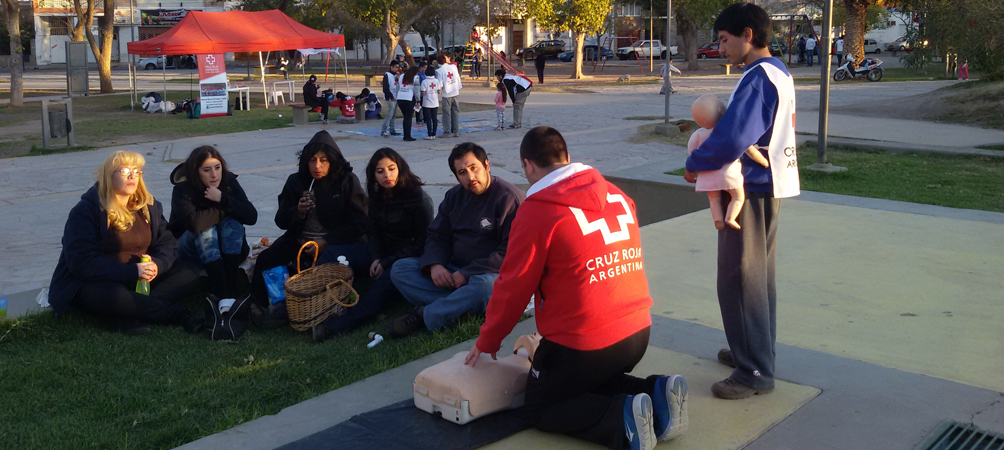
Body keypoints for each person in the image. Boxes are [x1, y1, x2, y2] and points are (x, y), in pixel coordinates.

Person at [465, 127, 688, 450]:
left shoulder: (537, 211)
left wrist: (488, 339)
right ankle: (657, 392)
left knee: (540, 406)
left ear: (527, 165)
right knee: (590, 380)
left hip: (584, 343)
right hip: (637, 331)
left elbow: (513, 285)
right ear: (567, 157)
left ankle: (620, 420)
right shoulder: (616, 194)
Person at [683, 2, 800, 400]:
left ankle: (753, 370)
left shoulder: (757, 78)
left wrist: (695, 161)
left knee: (739, 279)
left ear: (748, 35)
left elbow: (734, 138)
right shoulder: (776, 71)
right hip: (770, 183)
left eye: (724, 39)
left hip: (751, 187)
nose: (721, 48)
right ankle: (752, 351)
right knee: (758, 278)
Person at [48, 151, 202, 335]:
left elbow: (168, 243)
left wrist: (157, 265)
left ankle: (126, 313)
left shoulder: (149, 206)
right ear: (108, 175)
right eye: (124, 171)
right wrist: (132, 271)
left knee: (190, 271)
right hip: (102, 281)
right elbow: (81, 263)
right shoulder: (87, 211)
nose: (132, 176)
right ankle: (178, 314)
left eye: (137, 172)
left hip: (143, 278)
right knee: (111, 296)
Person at [386, 142, 524, 338]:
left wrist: (467, 274)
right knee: (400, 270)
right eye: (462, 172)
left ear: (486, 165)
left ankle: (425, 314)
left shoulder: (509, 199)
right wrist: (435, 265)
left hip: (488, 275)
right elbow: (437, 234)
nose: (470, 177)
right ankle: (460, 304)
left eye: (474, 168)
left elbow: (512, 254)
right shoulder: (454, 196)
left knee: (486, 288)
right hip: (453, 272)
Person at [312, 148, 435, 342]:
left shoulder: (418, 198)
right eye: (380, 171)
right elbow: (373, 232)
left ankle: (333, 327)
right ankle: (305, 304)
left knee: (377, 291)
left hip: (406, 259)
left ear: (400, 169)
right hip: (381, 251)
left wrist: (386, 262)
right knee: (332, 254)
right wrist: (376, 256)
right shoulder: (377, 196)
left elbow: (422, 243)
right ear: (373, 175)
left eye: (391, 168)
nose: (387, 175)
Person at [251, 130, 368, 325]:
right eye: (312, 160)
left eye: (323, 160)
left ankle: (290, 312)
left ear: (332, 161)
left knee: (318, 272)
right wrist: (297, 212)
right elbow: (281, 220)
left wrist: (326, 241)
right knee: (266, 259)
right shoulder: (296, 181)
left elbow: (360, 221)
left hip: (334, 243)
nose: (317, 166)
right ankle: (259, 304)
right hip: (300, 240)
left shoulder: (346, 181)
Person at [169, 146, 258, 301]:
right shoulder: (183, 189)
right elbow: (195, 223)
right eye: (207, 170)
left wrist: (223, 198)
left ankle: (232, 285)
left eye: (217, 167)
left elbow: (251, 216)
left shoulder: (228, 182)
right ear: (196, 171)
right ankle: (222, 289)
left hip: (229, 248)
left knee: (233, 223)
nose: (214, 174)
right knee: (205, 230)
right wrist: (224, 207)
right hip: (190, 251)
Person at [687, 95, 770, 230]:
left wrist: (692, 167)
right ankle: (731, 218)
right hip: (728, 175)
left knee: (714, 200)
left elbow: (692, 153)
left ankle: (718, 220)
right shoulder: (731, 132)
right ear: (721, 111)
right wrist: (764, 162)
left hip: (707, 178)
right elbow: (749, 149)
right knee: (737, 197)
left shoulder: (697, 135)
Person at [435, 53, 463, 138]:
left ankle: (447, 131)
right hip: (455, 91)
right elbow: (458, 78)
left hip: (447, 93)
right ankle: (456, 131)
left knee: (446, 113)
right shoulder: (453, 67)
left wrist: (438, 89)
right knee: (455, 111)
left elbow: (440, 83)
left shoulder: (439, 71)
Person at [397, 66, 421, 142]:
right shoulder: (415, 78)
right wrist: (418, 100)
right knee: (408, 118)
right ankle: (407, 136)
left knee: (406, 117)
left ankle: (405, 135)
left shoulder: (401, 76)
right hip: (409, 98)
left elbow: (398, 87)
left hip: (400, 98)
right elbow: (416, 90)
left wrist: (397, 96)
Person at [381, 61, 402, 137]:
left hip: (396, 97)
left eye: (398, 67)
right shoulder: (387, 75)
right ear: (391, 67)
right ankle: (384, 130)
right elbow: (385, 88)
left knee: (394, 114)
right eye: (396, 67)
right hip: (390, 97)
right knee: (389, 114)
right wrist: (391, 96)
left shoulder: (396, 76)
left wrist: (398, 79)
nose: (397, 69)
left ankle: (392, 129)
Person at [420, 66, 441, 140]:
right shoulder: (436, 81)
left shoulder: (424, 81)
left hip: (427, 102)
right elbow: (439, 91)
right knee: (434, 118)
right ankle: (434, 134)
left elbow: (423, 92)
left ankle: (429, 134)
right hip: (435, 102)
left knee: (428, 119)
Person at [416, 60, 429, 125]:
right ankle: (418, 119)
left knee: (425, 107)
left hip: (425, 93)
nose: (425, 69)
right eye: (424, 67)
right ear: (420, 67)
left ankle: (425, 119)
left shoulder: (425, 74)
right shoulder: (418, 74)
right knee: (418, 106)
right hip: (419, 93)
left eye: (426, 67)